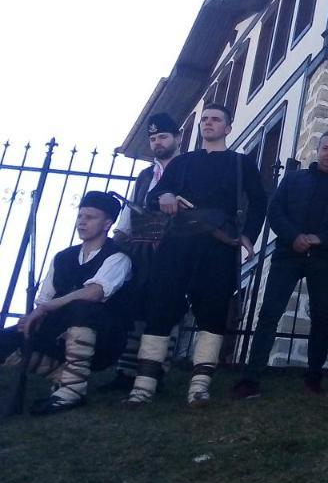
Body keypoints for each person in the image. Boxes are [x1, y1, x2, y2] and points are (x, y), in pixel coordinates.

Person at [125, 103, 267, 407]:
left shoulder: (242, 164)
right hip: (177, 241)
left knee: (213, 311)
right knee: (161, 307)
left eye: (216, 120)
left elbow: (258, 202)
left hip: (217, 245)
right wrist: (163, 195)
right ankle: (143, 386)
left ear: (228, 128)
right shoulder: (182, 163)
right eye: (204, 119)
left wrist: (246, 236)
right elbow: (153, 196)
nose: (208, 123)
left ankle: (199, 386)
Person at [232, 131, 328, 398]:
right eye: (326, 147)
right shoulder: (293, 179)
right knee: (268, 315)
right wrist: (295, 237)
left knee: (321, 318)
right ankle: (251, 378)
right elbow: (275, 211)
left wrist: (321, 239)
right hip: (287, 254)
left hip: (324, 258)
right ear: (318, 148)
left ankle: (314, 379)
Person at [0, 192, 132, 415]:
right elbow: (44, 299)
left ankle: (73, 391)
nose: (82, 221)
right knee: (5, 340)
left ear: (107, 223)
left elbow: (94, 293)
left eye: (90, 217)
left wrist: (45, 308)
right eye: (80, 216)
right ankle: (63, 376)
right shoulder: (63, 257)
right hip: (58, 333)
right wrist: (34, 317)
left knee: (82, 307)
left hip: (103, 340)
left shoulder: (118, 257)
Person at [105, 112, 181, 392]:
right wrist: (120, 234)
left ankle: (157, 370)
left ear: (177, 137)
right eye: (153, 138)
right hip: (140, 247)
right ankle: (126, 372)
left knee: (166, 307)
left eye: (162, 136)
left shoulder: (186, 169)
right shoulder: (146, 175)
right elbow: (132, 206)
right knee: (136, 305)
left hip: (172, 246)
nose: (157, 142)